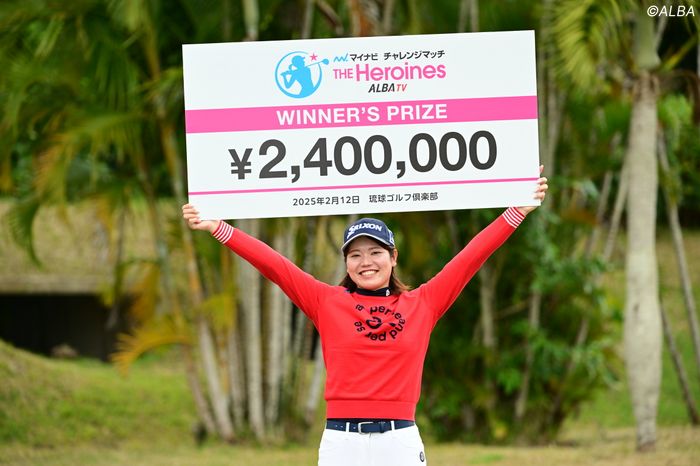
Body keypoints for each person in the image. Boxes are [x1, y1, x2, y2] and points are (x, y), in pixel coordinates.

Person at [182, 168, 548, 466]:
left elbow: (470, 258)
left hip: (399, 442)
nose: (365, 262)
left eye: (375, 252)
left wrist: (515, 212)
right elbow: (275, 266)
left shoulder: (422, 303)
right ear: (346, 262)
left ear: (393, 257)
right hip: (341, 444)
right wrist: (219, 227)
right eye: (355, 255)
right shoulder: (326, 301)